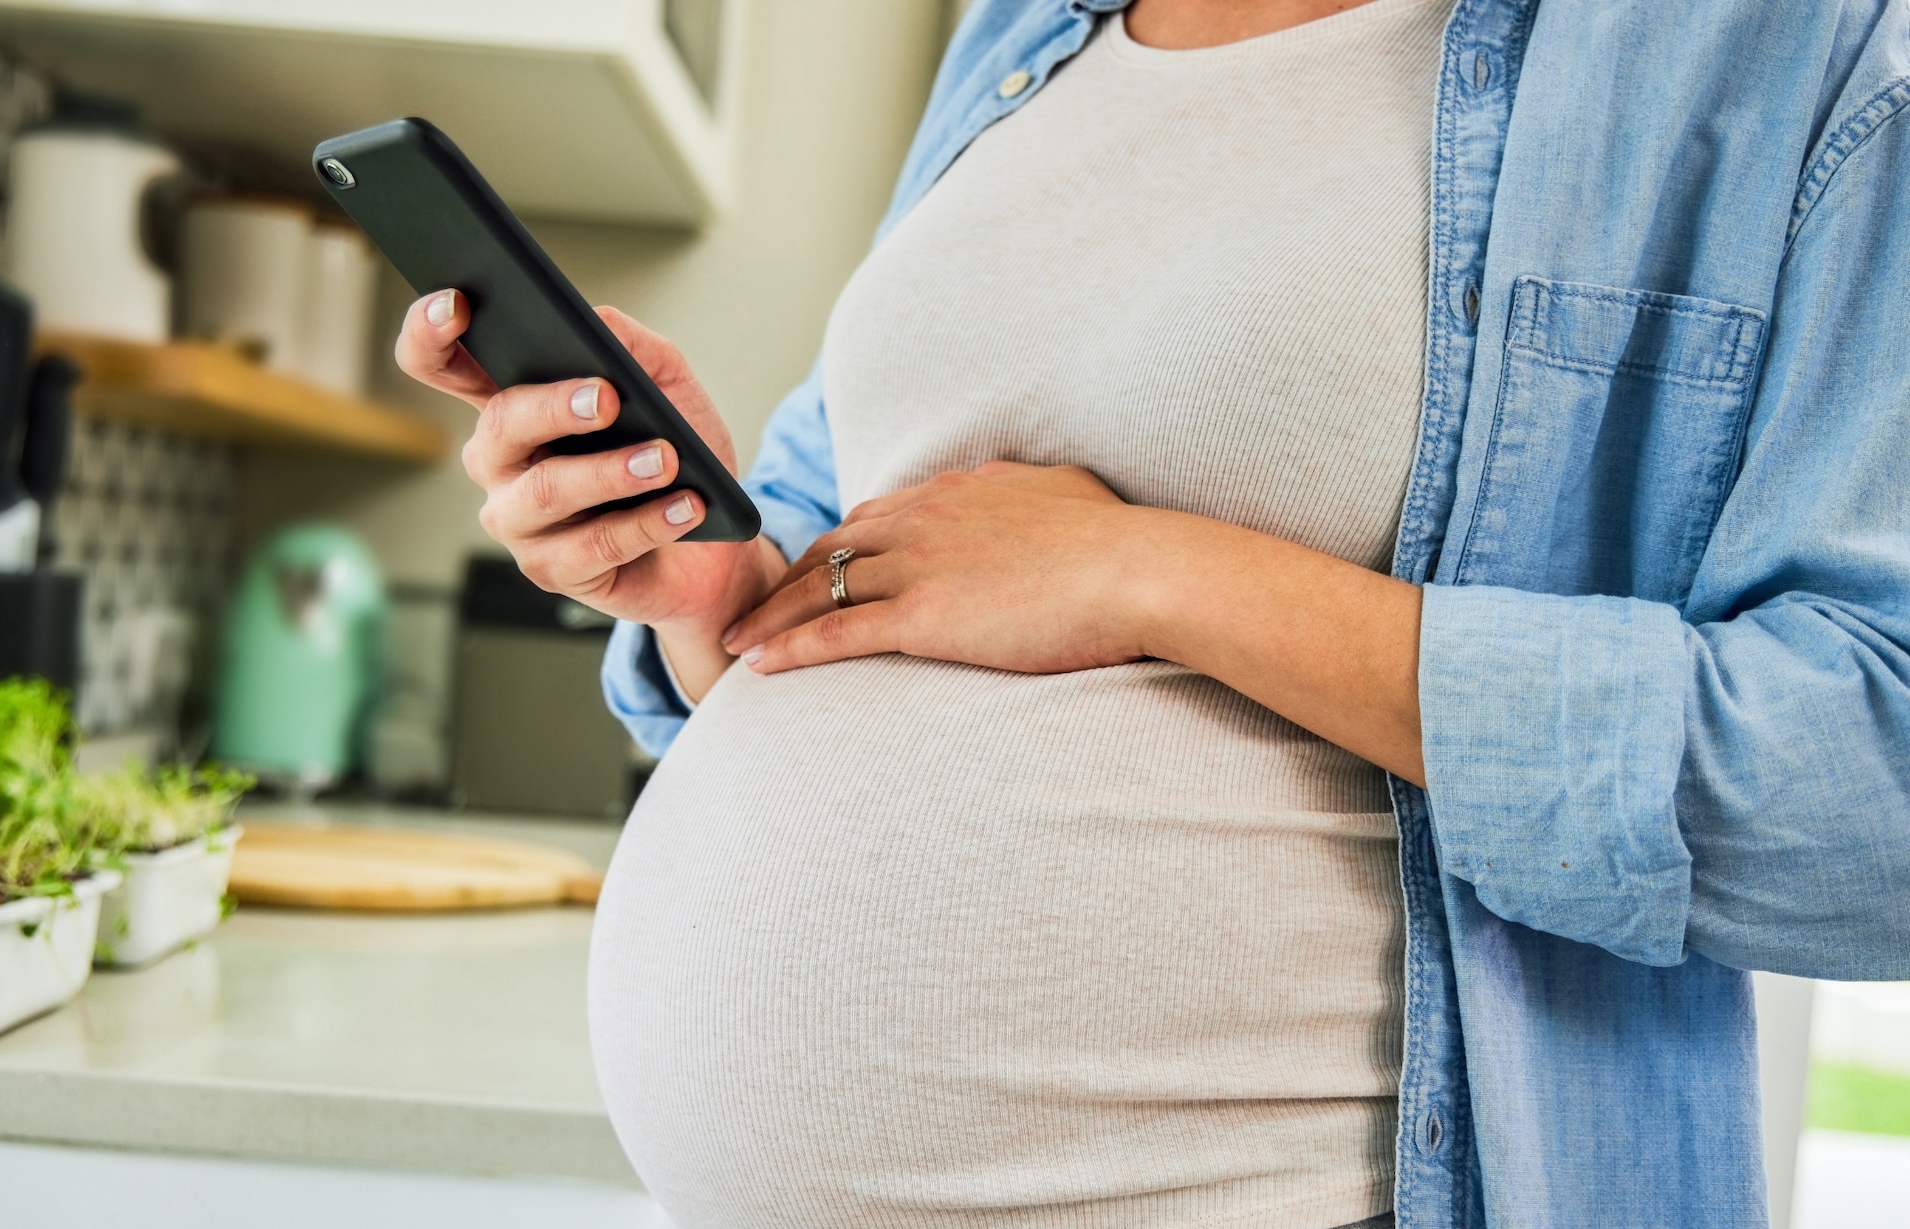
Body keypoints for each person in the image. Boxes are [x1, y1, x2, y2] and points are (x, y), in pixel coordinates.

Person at [395, 0, 1910, 1224]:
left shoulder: (1780, 52)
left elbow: (1878, 791)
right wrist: (707, 585)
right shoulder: (1016, 39)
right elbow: (855, 581)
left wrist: (1153, 574)